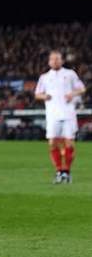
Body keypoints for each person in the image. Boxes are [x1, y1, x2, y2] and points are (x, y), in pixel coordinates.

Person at [34, 50, 86, 184]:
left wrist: (72, 94)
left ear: (62, 61)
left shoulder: (70, 74)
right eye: (52, 59)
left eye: (57, 59)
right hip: (52, 115)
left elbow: (82, 88)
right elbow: (37, 94)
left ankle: (66, 172)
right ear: (49, 62)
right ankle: (59, 171)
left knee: (69, 142)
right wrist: (44, 96)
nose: (55, 61)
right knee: (52, 143)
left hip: (68, 114)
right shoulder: (44, 77)